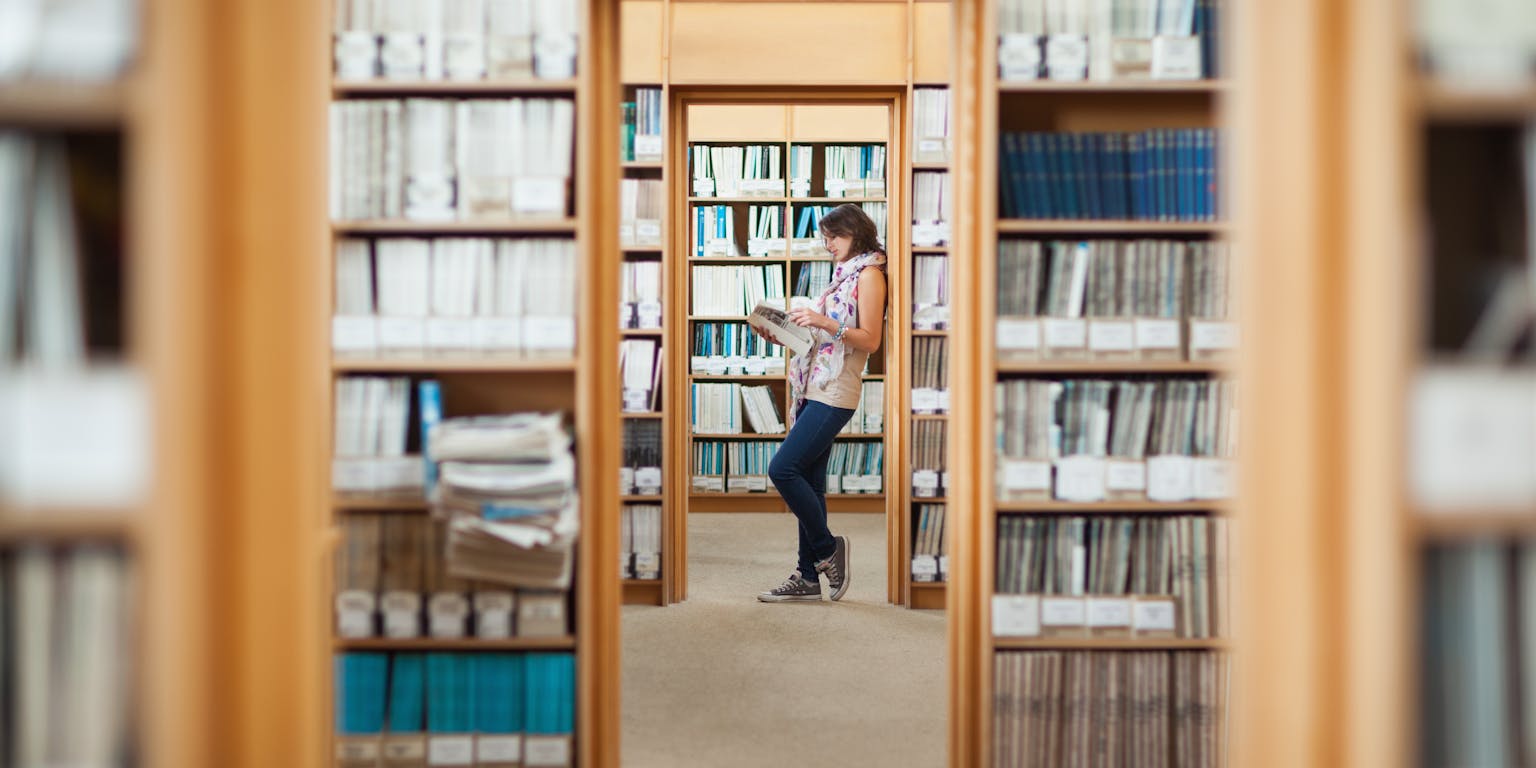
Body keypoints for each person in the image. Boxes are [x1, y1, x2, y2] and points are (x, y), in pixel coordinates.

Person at [754, 203, 887, 603]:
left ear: (857, 234)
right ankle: (808, 578)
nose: (828, 244)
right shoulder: (841, 276)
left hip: (836, 391)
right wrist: (787, 334)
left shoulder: (870, 275)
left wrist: (825, 322)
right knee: (810, 482)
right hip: (814, 385)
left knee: (783, 468)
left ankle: (828, 549)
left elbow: (870, 339)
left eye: (835, 236)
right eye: (825, 237)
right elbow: (825, 340)